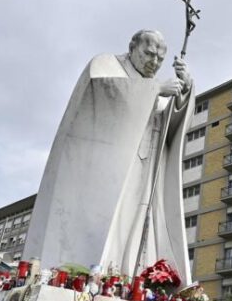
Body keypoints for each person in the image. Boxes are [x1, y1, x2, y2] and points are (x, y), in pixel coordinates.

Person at [25, 29, 194, 280]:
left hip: (143, 171)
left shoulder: (153, 86)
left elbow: (166, 125)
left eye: (159, 59)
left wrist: (185, 91)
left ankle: (124, 276)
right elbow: (101, 97)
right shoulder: (106, 65)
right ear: (132, 47)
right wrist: (154, 89)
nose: (154, 62)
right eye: (148, 54)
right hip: (106, 171)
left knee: (132, 227)